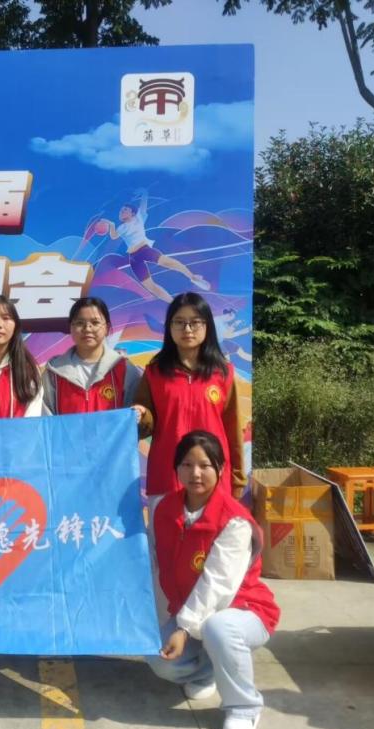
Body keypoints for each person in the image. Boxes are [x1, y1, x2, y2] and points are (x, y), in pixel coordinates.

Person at [145, 430, 279, 729]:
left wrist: (183, 629)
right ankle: (209, 671)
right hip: (190, 612)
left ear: (220, 469)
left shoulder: (234, 520)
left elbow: (217, 582)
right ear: (176, 469)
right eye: (187, 464)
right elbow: (151, 560)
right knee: (158, 660)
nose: (195, 473)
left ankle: (244, 707)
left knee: (219, 627)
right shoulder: (164, 509)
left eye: (205, 465)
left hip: (244, 610)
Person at [133, 292, 245, 511]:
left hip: (213, 478)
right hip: (167, 477)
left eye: (195, 322)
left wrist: (237, 481)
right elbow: (146, 425)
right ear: (169, 327)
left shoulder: (223, 373)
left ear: (207, 326)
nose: (187, 329)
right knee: (165, 534)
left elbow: (233, 430)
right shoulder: (155, 373)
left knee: (212, 534)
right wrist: (142, 415)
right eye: (179, 322)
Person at [101, 191, 209, 302]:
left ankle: (193, 276)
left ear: (132, 213)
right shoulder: (121, 228)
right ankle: (172, 303)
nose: (121, 212)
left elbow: (143, 205)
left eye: (125, 210)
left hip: (144, 250)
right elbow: (114, 236)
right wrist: (111, 225)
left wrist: (144, 193)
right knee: (150, 286)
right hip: (133, 258)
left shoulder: (139, 218)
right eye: (121, 210)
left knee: (168, 262)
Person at [42, 297, 139, 414]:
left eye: (95, 322)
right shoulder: (54, 372)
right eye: (80, 323)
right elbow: (46, 419)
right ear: (71, 328)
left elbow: (132, 417)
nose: (87, 329)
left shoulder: (124, 369)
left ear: (107, 328)